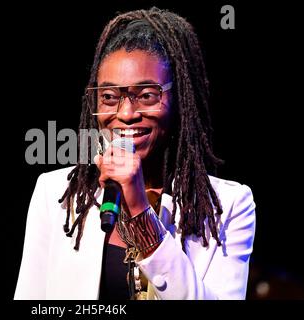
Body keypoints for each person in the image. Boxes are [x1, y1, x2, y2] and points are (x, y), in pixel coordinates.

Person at [14, 6, 256, 300]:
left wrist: (141, 211)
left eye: (146, 95)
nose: (126, 113)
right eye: (109, 97)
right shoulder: (55, 193)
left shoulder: (227, 206)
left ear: (180, 98)